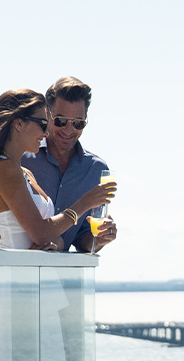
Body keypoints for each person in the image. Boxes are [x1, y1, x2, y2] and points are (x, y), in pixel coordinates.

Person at [0, 89, 115, 250]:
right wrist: (86, 202)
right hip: (11, 273)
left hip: (33, 271)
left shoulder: (26, 172)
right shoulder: (4, 169)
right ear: (19, 124)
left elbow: (54, 237)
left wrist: (54, 244)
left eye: (78, 123)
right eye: (43, 124)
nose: (47, 132)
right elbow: (41, 233)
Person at [20, 76, 119, 252]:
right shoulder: (23, 156)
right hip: (12, 271)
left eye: (78, 124)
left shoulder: (96, 170)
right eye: (61, 121)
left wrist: (101, 238)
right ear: (46, 113)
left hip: (59, 277)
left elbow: (82, 240)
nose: (68, 130)